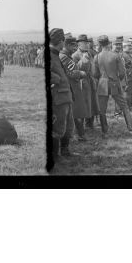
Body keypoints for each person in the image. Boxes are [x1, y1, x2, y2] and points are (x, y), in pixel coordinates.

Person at [92, 35, 132, 136]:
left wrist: (102, 78)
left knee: (102, 109)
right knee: (124, 106)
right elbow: (122, 73)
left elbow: (94, 74)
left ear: (100, 44)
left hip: (102, 84)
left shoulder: (96, 56)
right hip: (114, 83)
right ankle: (130, 129)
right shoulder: (115, 55)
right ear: (109, 43)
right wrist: (116, 79)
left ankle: (105, 131)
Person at [49, 28, 74, 163]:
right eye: (63, 40)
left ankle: (65, 150)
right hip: (58, 99)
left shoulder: (56, 54)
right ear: (61, 41)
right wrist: (55, 78)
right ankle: (55, 157)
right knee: (58, 129)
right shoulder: (50, 55)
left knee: (68, 127)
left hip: (65, 97)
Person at [60, 34, 89, 141]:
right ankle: (79, 135)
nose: (75, 48)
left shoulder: (66, 56)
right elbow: (73, 73)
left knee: (75, 113)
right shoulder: (64, 57)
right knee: (76, 113)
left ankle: (78, 135)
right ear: (66, 45)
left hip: (72, 88)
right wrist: (81, 73)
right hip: (72, 88)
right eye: (73, 46)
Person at [71, 34, 99, 129]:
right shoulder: (75, 55)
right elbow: (74, 70)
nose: (86, 44)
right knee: (83, 104)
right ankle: (80, 127)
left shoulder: (90, 53)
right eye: (84, 43)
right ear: (78, 44)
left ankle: (89, 124)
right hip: (81, 83)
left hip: (90, 81)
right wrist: (83, 60)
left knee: (92, 102)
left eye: (87, 43)